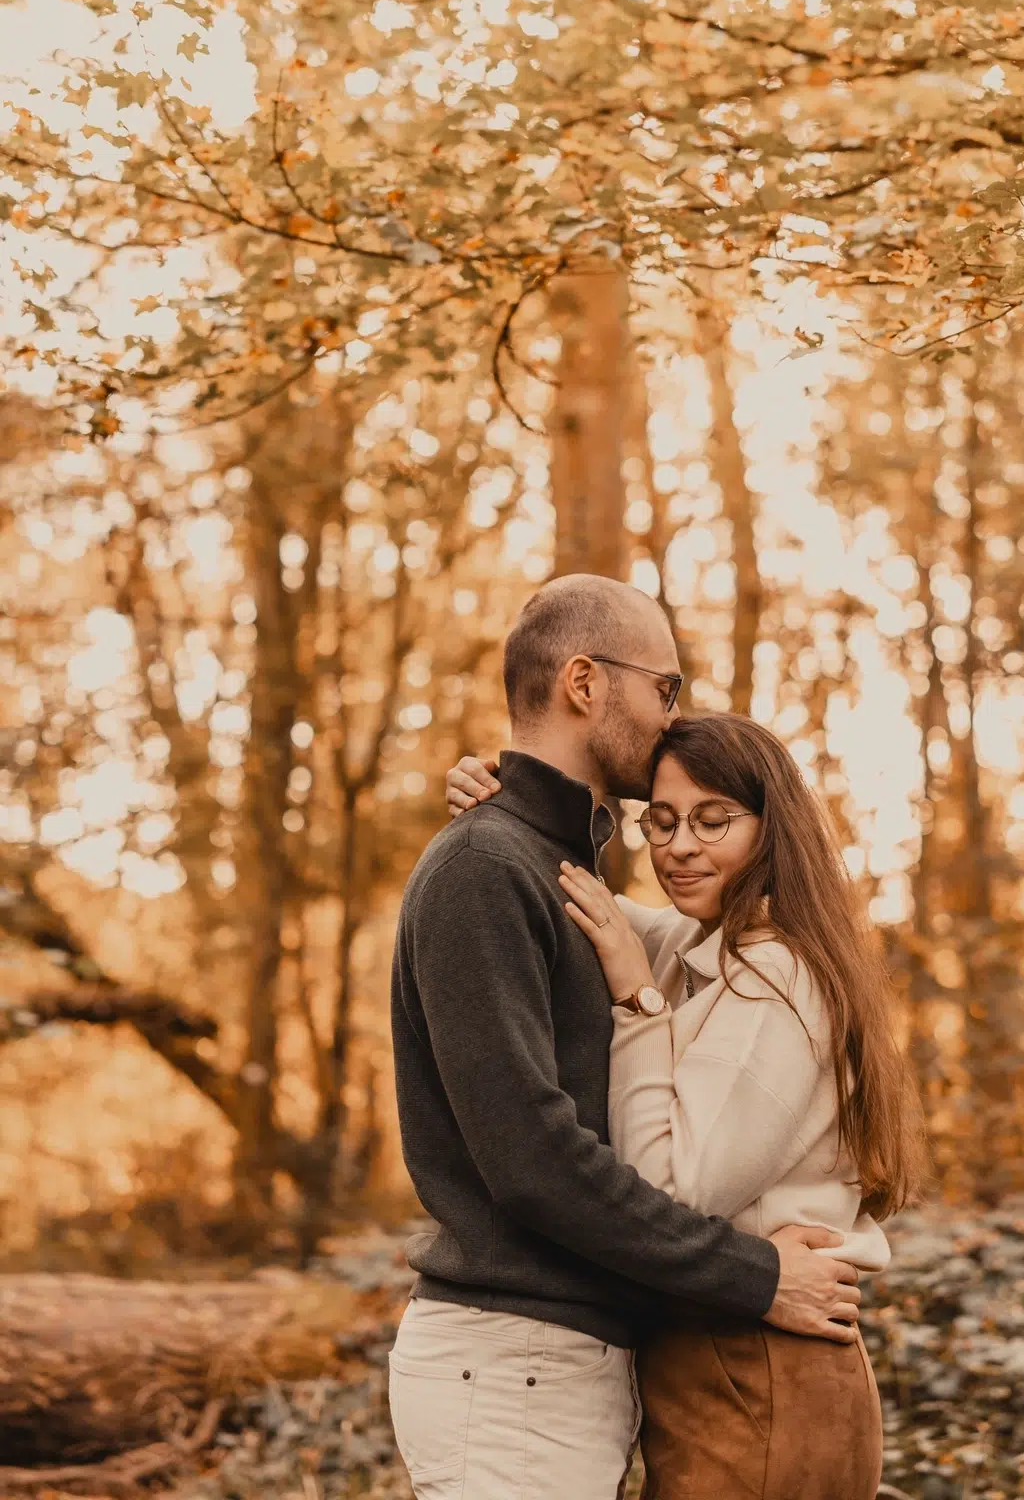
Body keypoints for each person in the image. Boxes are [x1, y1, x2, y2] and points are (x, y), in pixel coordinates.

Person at [389, 574, 862, 1500]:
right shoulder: (491, 866)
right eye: (667, 686)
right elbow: (532, 1158)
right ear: (584, 683)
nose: (673, 712)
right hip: (513, 1358)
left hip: (559, 1358)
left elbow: (678, 934)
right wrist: (755, 1275)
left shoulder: (552, 864)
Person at [446, 708, 927, 1500]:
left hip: (758, 1373)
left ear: (773, 829)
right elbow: (574, 897)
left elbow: (674, 1195)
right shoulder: (704, 947)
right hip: (727, 1362)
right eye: (661, 821)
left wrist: (638, 1004)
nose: (679, 847)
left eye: (713, 820)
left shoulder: (774, 977)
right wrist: (498, 804)